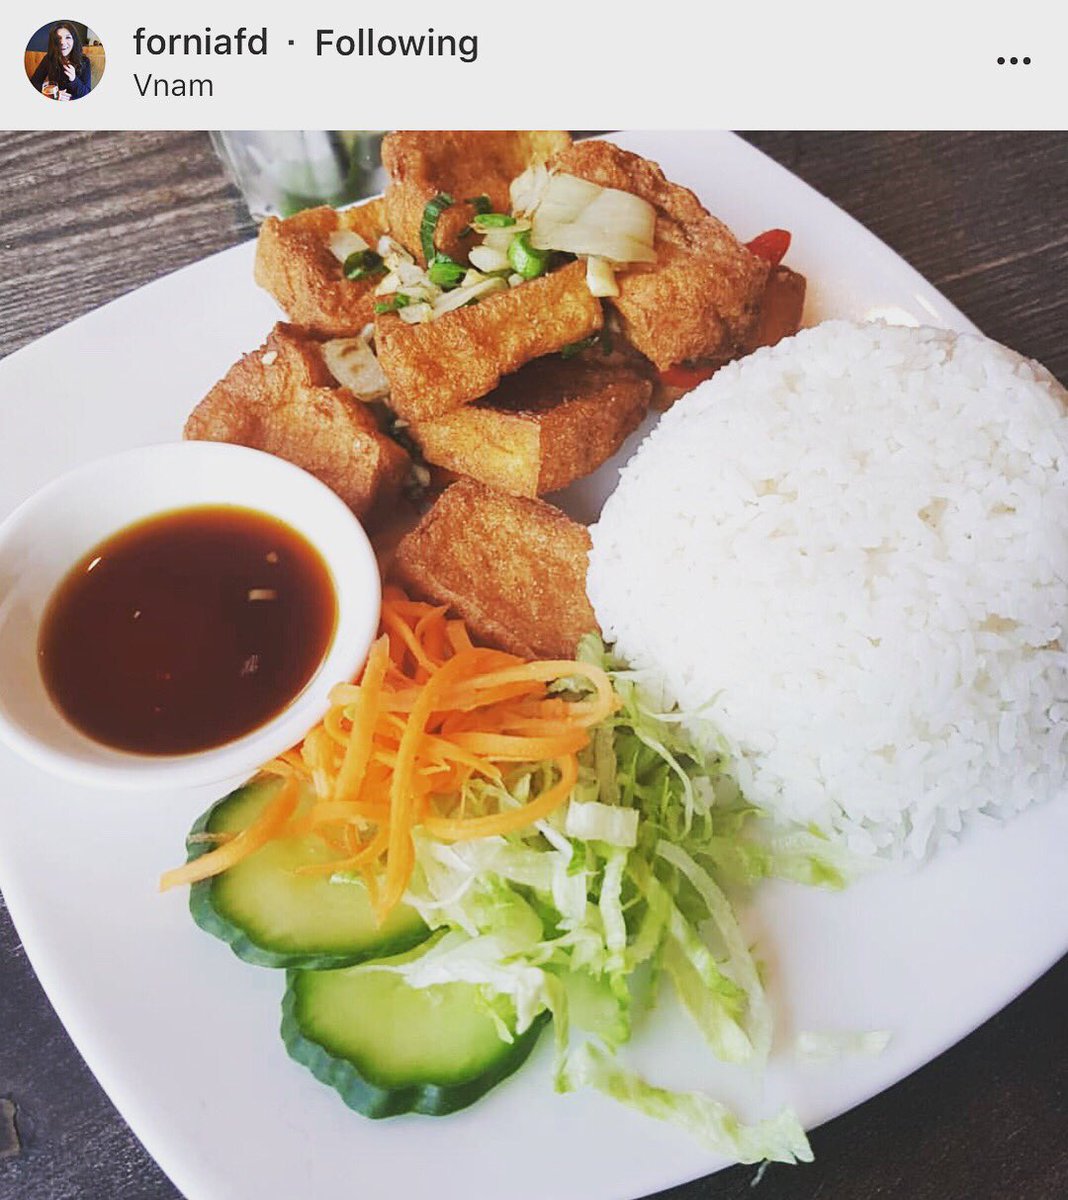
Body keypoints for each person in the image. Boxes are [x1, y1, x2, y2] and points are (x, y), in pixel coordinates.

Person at [30, 23, 92, 101]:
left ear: (74, 40)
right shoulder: (49, 58)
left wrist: (74, 79)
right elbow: (34, 82)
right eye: (58, 38)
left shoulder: (84, 61)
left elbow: (86, 93)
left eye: (68, 37)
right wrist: (54, 93)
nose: (62, 42)